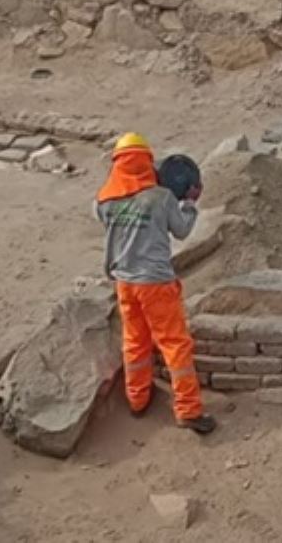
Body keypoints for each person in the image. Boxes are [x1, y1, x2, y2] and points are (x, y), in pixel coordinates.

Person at [93, 132, 215, 435]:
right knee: (175, 344)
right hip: (156, 283)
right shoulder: (161, 198)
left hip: (124, 282)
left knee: (135, 341)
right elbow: (183, 231)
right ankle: (188, 409)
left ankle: (137, 400)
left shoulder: (104, 202)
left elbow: (103, 214)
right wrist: (188, 202)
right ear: (147, 162)